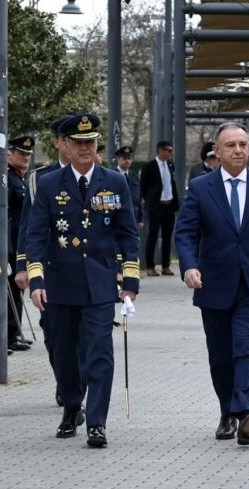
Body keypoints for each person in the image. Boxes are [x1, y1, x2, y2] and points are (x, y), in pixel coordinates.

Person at [174, 121, 249, 446]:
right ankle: (227, 412)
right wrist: (189, 267)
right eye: (231, 145)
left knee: (245, 349)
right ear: (217, 150)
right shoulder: (201, 188)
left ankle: (246, 413)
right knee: (220, 356)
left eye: (243, 144)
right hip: (213, 284)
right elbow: (185, 233)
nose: (239, 150)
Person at [26, 113, 141, 448]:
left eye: (90, 142)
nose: (85, 148)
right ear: (67, 146)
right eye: (79, 143)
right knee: (64, 354)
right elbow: (35, 236)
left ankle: (97, 422)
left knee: (100, 353)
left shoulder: (114, 181)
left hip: (100, 283)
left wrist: (130, 281)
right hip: (61, 283)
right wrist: (37, 280)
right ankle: (72, 405)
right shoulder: (49, 184)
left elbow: (128, 233)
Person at [16, 115, 75, 406]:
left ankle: (76, 385)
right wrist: (22, 266)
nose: (73, 145)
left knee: (85, 336)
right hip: (49, 268)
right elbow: (29, 226)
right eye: (67, 140)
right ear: (57, 143)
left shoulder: (99, 175)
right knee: (52, 331)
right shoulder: (40, 178)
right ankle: (64, 380)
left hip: (84, 269)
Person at [7, 135, 33, 355]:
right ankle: (7, 336)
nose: (25, 158)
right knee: (7, 292)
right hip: (7, 244)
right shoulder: (6, 178)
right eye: (21, 153)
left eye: (27, 155)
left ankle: (13, 333)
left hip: (18, 244)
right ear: (9, 154)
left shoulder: (20, 179)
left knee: (16, 289)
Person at [140, 140, 179, 276]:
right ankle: (150, 266)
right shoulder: (149, 167)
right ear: (161, 151)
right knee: (153, 236)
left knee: (168, 237)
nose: (170, 153)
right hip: (156, 206)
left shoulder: (170, 165)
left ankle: (165, 266)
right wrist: (150, 201)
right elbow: (143, 187)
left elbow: (171, 183)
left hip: (169, 206)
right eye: (168, 150)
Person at [114, 146, 143, 230]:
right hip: (118, 216)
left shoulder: (134, 176)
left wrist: (140, 219)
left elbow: (138, 198)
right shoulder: (112, 176)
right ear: (118, 159)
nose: (127, 161)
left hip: (134, 216)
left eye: (129, 158)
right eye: (124, 158)